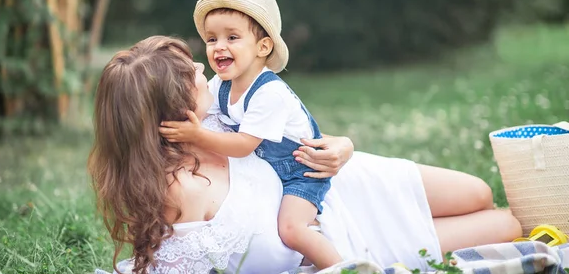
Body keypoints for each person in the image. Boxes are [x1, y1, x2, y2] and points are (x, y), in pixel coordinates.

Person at [89, 35, 522, 274]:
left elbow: (291, 134)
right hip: (343, 239)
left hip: (345, 184)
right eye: (193, 74)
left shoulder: (217, 119)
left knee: (479, 192)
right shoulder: (173, 191)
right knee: (507, 223)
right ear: (173, 106)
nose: (205, 70)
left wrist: (343, 146)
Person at [160, 0, 341, 268]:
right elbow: (205, 112)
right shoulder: (220, 84)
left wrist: (196, 136)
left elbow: (243, 146)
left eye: (232, 38)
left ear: (263, 47)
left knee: (292, 230)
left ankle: (344, 268)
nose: (219, 47)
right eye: (211, 39)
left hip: (301, 172)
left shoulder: (270, 93)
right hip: (274, 169)